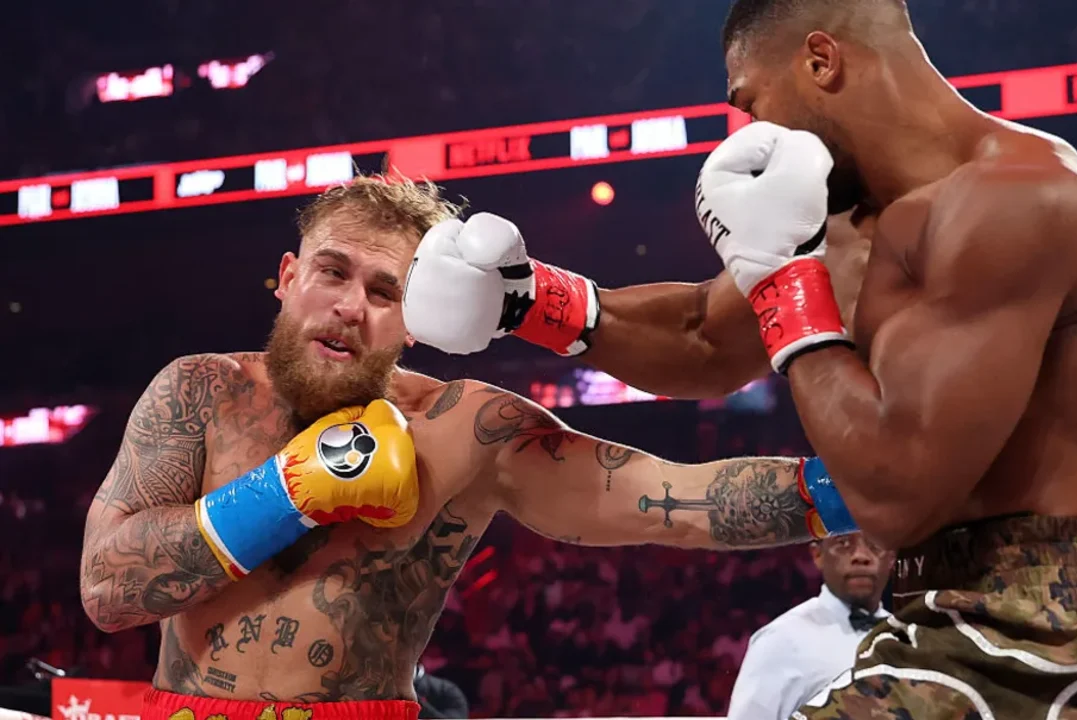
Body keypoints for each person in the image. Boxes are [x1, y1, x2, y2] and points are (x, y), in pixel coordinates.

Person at [400, 0, 1077, 716]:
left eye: (750, 103)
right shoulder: (851, 224)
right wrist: (526, 300)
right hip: (940, 606)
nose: (748, 133)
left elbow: (896, 494)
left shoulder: (1018, 204)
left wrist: (787, 282)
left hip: (1071, 626)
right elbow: (701, 336)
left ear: (820, 61)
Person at [77, 175, 850, 720]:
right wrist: (285, 492)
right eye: (331, 272)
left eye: (386, 292)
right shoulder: (199, 392)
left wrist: (881, 487)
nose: (351, 307)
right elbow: (108, 590)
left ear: (417, 319)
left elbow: (679, 504)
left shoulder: (467, 429)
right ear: (286, 278)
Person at [727, 532, 892, 720]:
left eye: (875, 545)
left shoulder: (908, 636)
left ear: (892, 557)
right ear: (818, 554)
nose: (861, 556)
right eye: (843, 543)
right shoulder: (780, 639)